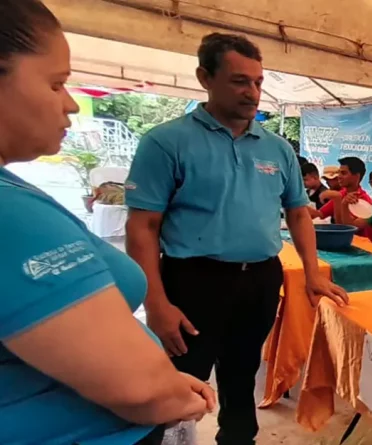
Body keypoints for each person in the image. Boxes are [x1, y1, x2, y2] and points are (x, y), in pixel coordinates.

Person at [0, 2, 216, 444]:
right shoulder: (11, 216)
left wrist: (166, 385)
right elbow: (139, 387)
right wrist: (174, 397)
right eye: (57, 83)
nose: (71, 104)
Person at [125, 32, 347, 445]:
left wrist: (313, 274)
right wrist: (154, 302)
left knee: (242, 374)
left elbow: (298, 212)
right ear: (205, 77)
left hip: (260, 279)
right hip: (192, 281)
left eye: (259, 82)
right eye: (239, 81)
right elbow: (143, 227)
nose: (253, 92)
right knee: (178, 383)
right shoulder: (166, 141)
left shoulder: (277, 148)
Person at [312, 157, 372, 241]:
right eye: (339, 173)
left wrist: (339, 200)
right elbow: (320, 214)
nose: (339, 177)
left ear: (356, 176)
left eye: (343, 173)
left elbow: (346, 229)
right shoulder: (342, 193)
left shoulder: (365, 202)